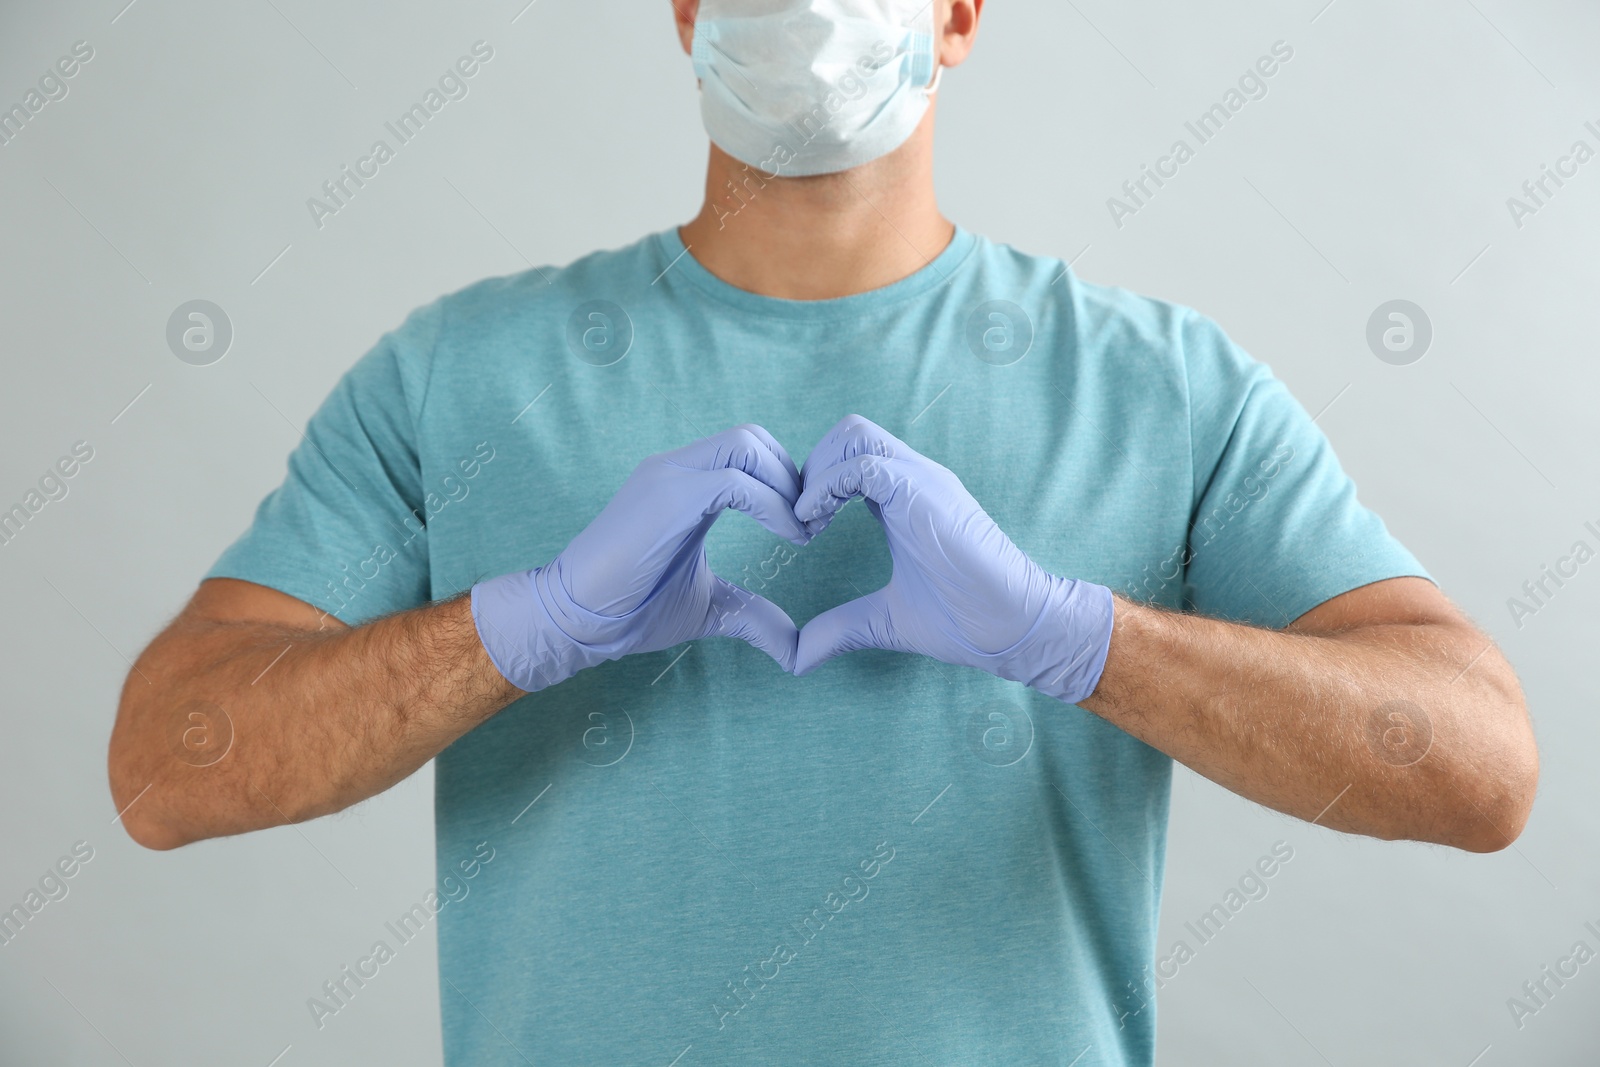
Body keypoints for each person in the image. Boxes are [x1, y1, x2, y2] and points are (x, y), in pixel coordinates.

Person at [108, 1, 1538, 1063]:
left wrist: (1079, 640)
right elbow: (166, 769)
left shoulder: (1161, 389)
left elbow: (1480, 767)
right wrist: (517, 626)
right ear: (683, 12)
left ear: (960, 15)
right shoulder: (459, 377)